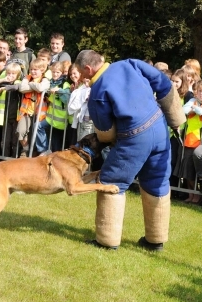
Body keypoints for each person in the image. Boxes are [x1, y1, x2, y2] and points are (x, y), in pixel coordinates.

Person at [74, 50, 185, 251]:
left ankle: (107, 241)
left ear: (88, 69)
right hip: (160, 129)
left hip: (135, 137)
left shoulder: (97, 92)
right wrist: (176, 120)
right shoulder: (131, 63)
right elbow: (164, 84)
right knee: (157, 181)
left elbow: (106, 133)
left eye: (82, 72)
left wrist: (118, 142)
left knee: (111, 181)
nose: (82, 77)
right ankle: (155, 240)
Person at [174, 80, 202, 204]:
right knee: (186, 170)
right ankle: (190, 195)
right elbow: (183, 110)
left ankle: (197, 196)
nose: (201, 94)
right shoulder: (192, 101)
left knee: (193, 172)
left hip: (199, 140)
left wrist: (193, 109)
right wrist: (193, 108)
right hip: (188, 139)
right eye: (199, 91)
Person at [16, 58, 50, 157]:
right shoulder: (27, 77)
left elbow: (41, 88)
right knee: (20, 131)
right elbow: (22, 88)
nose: (33, 71)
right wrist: (33, 84)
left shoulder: (45, 80)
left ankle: (36, 154)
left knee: (35, 134)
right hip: (26, 111)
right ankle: (25, 148)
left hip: (39, 113)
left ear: (42, 70)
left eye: (36, 69)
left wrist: (30, 85)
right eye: (31, 69)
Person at [35, 61, 69, 155]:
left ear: (62, 73)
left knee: (56, 147)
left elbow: (67, 100)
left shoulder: (65, 84)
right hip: (50, 118)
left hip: (60, 121)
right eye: (54, 72)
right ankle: (43, 150)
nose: (55, 74)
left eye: (58, 72)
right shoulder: (50, 83)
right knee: (37, 126)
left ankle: (55, 163)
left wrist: (59, 91)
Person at [0, 62, 22, 157]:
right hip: (6, 116)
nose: (11, 76)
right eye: (9, 73)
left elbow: (17, 87)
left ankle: (13, 160)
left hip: (16, 117)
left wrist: (5, 88)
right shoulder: (3, 82)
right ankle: (4, 159)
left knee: (15, 141)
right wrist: (3, 80)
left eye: (13, 74)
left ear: (18, 75)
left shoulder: (19, 83)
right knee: (5, 140)